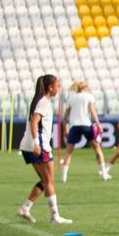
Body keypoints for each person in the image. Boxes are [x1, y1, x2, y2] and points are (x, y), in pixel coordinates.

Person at [16, 74, 71, 224]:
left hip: (28, 145)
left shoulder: (39, 101)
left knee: (44, 180)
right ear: (50, 87)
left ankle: (25, 208)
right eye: (57, 86)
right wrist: (37, 143)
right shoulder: (44, 102)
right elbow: (35, 122)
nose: (59, 88)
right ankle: (55, 216)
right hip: (38, 146)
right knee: (49, 181)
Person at [60, 80, 109, 182]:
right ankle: (104, 173)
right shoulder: (89, 96)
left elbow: (65, 117)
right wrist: (98, 123)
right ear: (85, 87)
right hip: (86, 124)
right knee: (97, 149)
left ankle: (63, 177)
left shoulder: (72, 98)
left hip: (74, 126)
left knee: (69, 152)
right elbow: (92, 111)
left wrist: (65, 129)